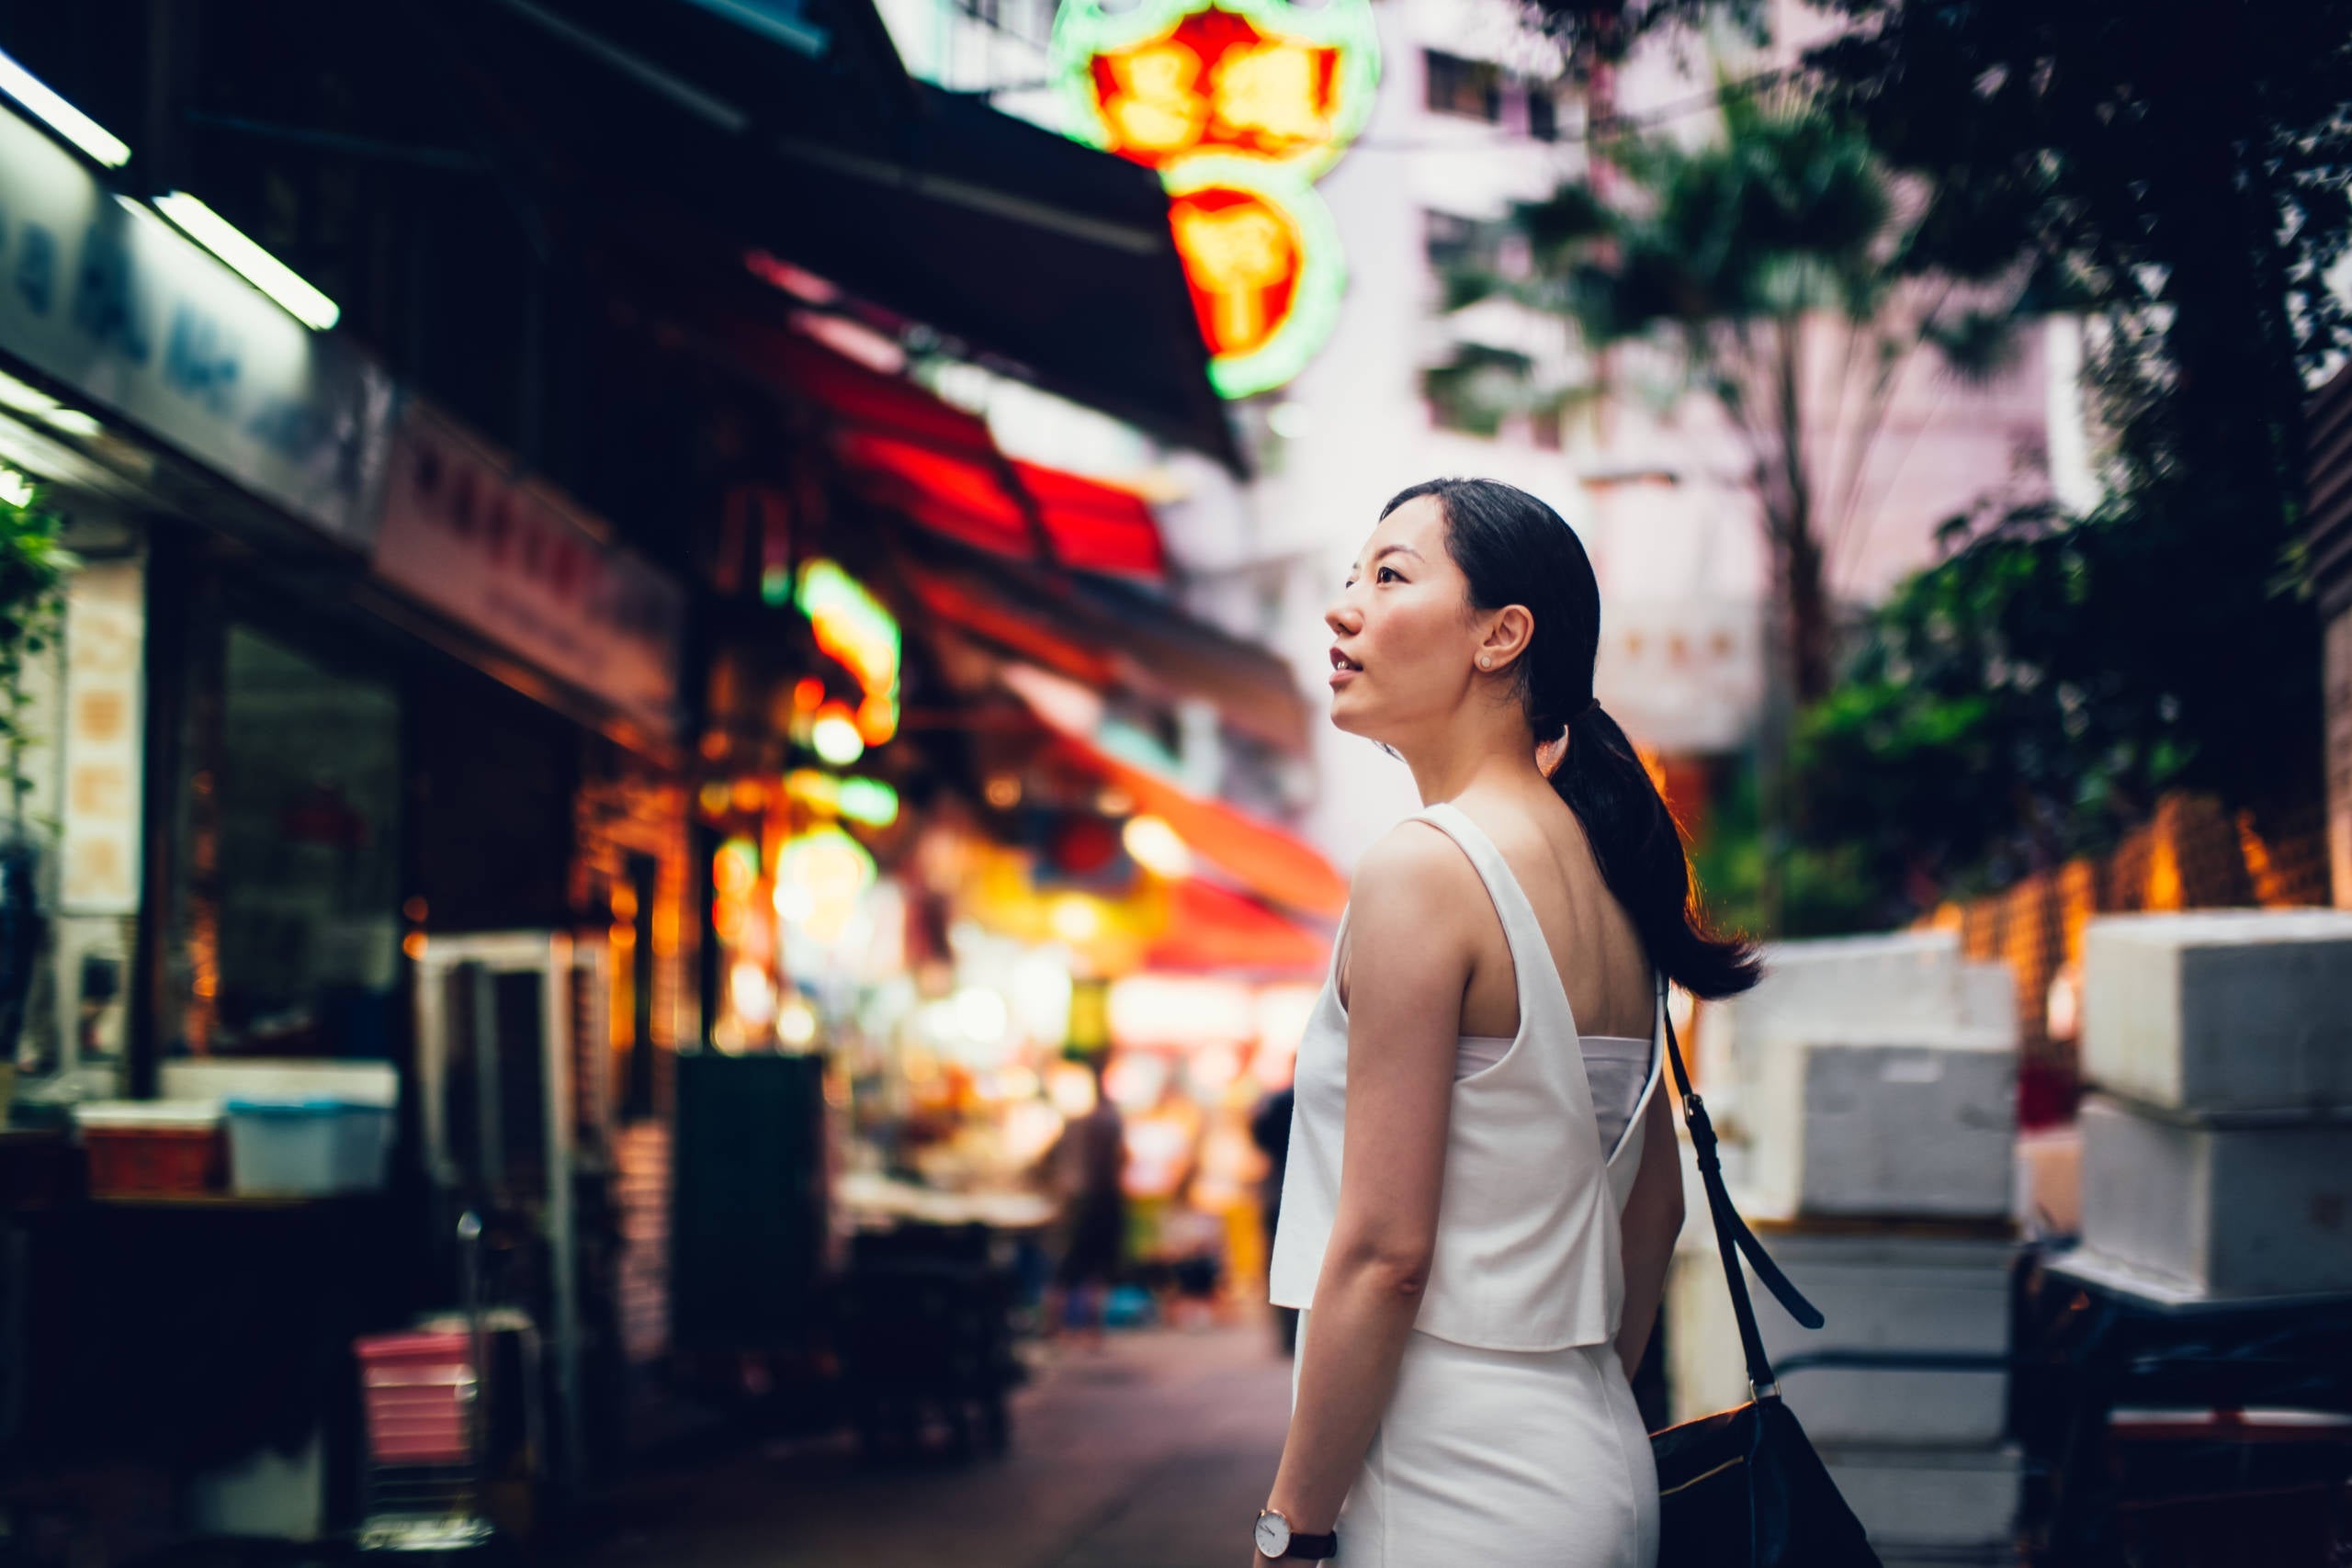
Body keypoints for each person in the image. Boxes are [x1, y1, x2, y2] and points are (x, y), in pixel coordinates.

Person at [1250, 479, 1760, 1568]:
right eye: (1349, 579)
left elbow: (1385, 1252)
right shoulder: (1609, 878)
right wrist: (1559, 1403)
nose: (1344, 609)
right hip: (1596, 1466)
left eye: (1389, 576)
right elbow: (1653, 1208)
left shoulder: (1426, 871)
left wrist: (1289, 1528)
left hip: (1448, 1490)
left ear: (1501, 636)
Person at [1046, 1055, 1126, 1344]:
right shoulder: (1104, 1120)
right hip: (1097, 1199)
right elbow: (1112, 1163)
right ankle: (1085, 1329)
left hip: (1078, 1197)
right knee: (1088, 1264)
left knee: (1075, 1264)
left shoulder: (1077, 1121)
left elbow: (1050, 1159)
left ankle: (1067, 1327)